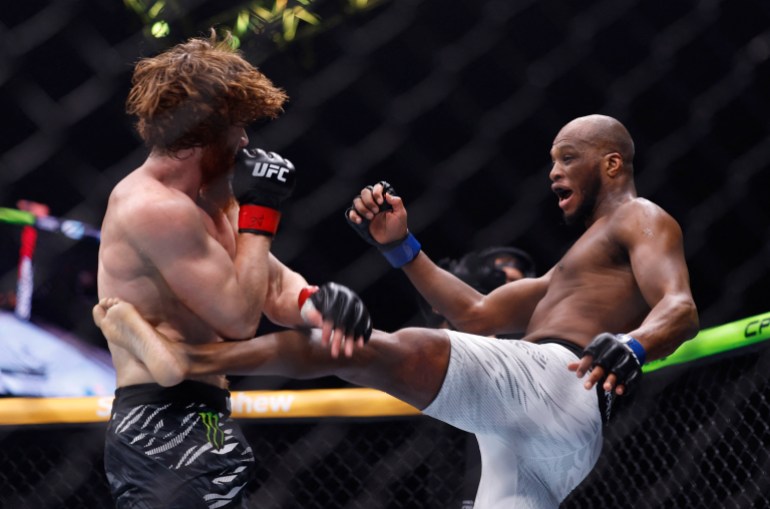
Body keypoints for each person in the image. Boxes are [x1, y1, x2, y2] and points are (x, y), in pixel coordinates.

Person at [94, 114, 699, 508]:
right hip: (555, 441)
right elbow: (479, 313)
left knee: (376, 347)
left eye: (568, 158)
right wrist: (399, 247)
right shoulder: (578, 264)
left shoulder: (640, 218)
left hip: (557, 382)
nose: (553, 172)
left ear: (612, 163)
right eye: (551, 159)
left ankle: (191, 357)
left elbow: (680, 307)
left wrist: (639, 344)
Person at [98, 30, 373, 508]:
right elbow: (238, 318)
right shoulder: (152, 207)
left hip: (207, 412)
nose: (245, 139)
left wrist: (316, 304)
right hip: (160, 422)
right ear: (202, 130)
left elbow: (270, 282)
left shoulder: (213, 196)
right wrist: (261, 212)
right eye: (237, 126)